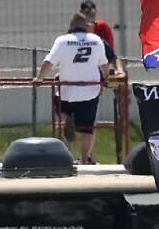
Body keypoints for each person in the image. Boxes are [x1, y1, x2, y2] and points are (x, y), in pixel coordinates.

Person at [34, 12, 110, 164]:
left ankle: (66, 124)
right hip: (89, 91)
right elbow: (104, 65)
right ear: (87, 26)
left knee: (60, 111)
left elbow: (48, 62)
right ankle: (84, 160)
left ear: (71, 26)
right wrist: (106, 79)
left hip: (66, 91)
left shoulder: (63, 41)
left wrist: (39, 78)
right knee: (87, 128)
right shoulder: (96, 40)